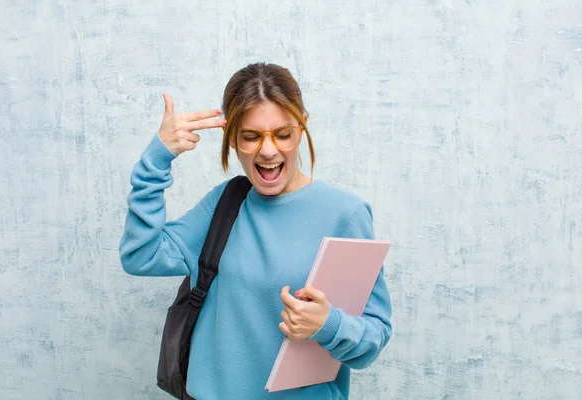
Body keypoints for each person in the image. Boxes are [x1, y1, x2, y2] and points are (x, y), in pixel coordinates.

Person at [119, 62, 392, 399]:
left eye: (283, 134)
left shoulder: (345, 214)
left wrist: (328, 325)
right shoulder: (226, 204)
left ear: (302, 127)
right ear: (231, 136)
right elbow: (140, 255)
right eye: (250, 136)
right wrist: (156, 160)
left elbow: (373, 338)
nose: (267, 150)